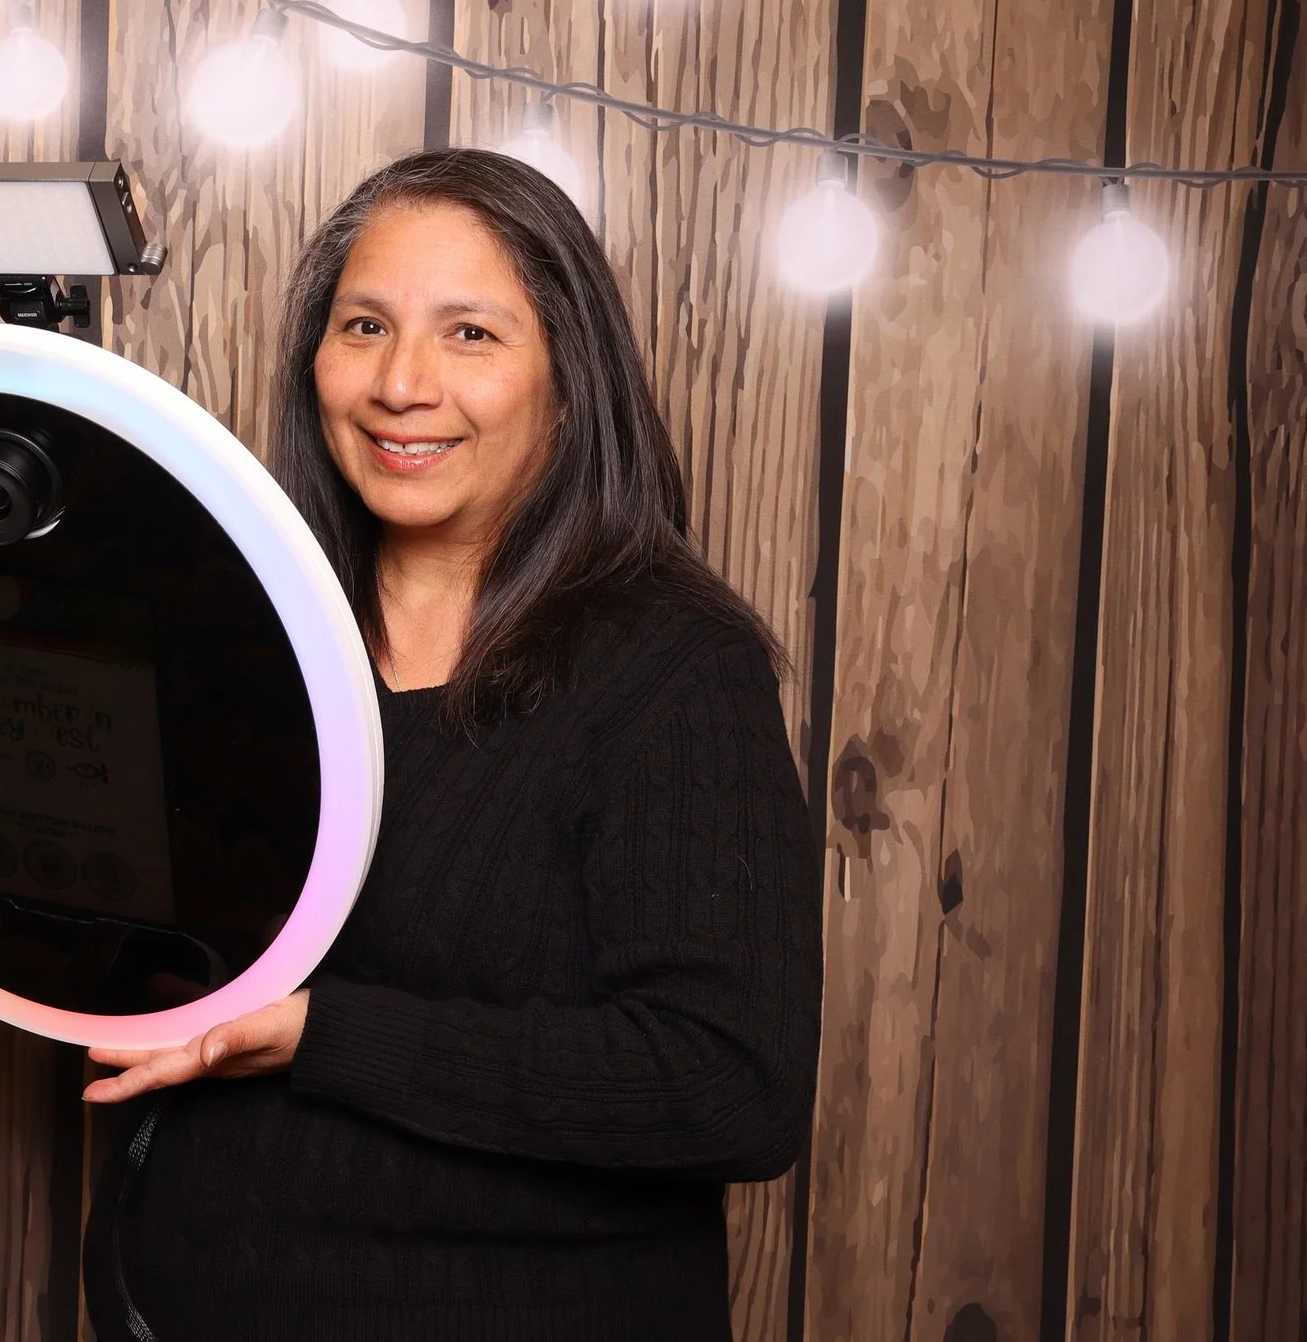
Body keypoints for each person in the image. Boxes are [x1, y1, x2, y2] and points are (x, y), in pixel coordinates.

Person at [79, 149, 824, 1341]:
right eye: (364, 324)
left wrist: (325, 1032)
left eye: (469, 334)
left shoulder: (674, 669)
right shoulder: (234, 627)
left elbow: (730, 1085)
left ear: (569, 384)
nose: (401, 383)